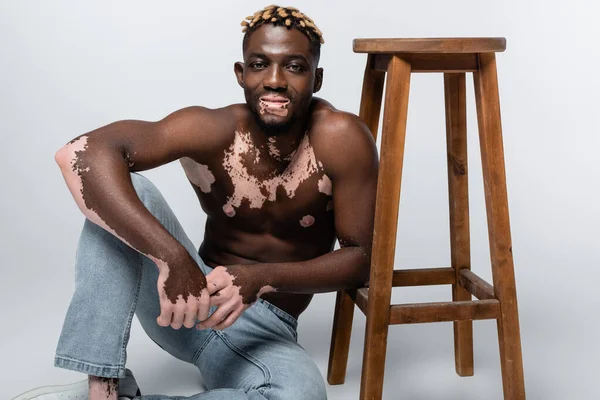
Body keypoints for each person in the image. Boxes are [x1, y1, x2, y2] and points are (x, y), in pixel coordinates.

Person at [13, 4, 378, 400]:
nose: (274, 80)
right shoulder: (215, 129)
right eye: (259, 64)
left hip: (266, 330)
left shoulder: (340, 138)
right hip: (186, 300)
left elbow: (360, 260)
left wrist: (259, 279)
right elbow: (79, 155)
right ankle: (100, 385)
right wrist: (173, 258)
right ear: (241, 74)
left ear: (316, 77)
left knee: (300, 395)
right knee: (125, 189)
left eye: (294, 66)